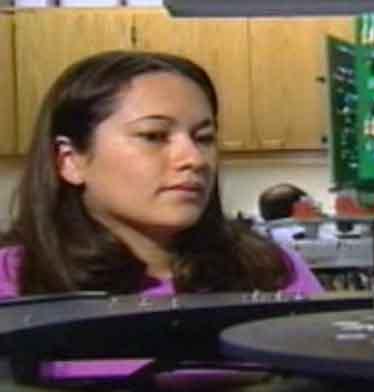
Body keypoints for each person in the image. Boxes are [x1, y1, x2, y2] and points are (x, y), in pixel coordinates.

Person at [0, 50, 323, 387]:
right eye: (154, 136)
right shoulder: (13, 279)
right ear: (70, 160)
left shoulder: (273, 271)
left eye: (204, 138)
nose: (194, 159)